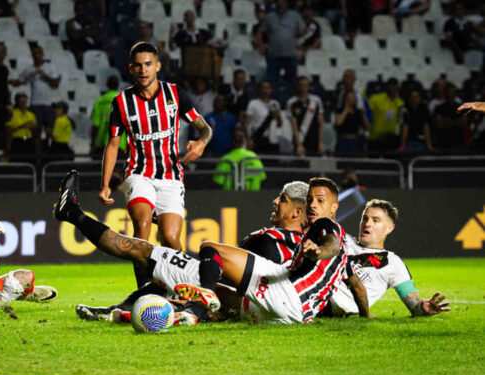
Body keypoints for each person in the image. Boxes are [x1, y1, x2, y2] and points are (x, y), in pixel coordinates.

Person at [55, 172, 365, 324]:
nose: (275, 201)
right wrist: (362, 315)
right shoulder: (307, 250)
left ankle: (72, 214)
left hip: (254, 295)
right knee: (165, 273)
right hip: (257, 308)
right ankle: (123, 313)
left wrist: (319, 253)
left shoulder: (284, 239)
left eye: (282, 199)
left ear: (298, 212)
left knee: (145, 252)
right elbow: (346, 280)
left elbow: (331, 246)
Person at [100, 42, 212, 288]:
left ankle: (181, 290)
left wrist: (202, 143)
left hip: (171, 176)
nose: (144, 70)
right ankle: (144, 291)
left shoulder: (175, 94)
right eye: (138, 66)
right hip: (138, 173)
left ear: (158, 66)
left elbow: (204, 127)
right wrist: (105, 184)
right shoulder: (121, 102)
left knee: (171, 238)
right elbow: (112, 144)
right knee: (141, 227)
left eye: (148, 64)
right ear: (131, 69)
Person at [327, 200, 451, 318]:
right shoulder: (343, 239)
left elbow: (415, 307)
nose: (367, 223)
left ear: (389, 228)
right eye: (365, 218)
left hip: (330, 305)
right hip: (315, 289)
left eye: (375, 220)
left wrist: (424, 309)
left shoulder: (393, 263)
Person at [256, 0, 306, 98]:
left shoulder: (295, 15)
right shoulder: (269, 16)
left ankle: (291, 101)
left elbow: (303, 30)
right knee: (272, 82)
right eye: (279, 2)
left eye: (283, 2)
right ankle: (272, 101)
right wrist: (261, 45)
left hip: (290, 54)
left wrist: (298, 38)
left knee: (292, 82)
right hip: (273, 56)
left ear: (287, 3)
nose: (281, 4)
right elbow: (261, 31)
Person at [10, 46, 61, 141]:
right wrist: (10, 81)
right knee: (35, 133)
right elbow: (19, 81)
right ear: (32, 56)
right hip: (35, 105)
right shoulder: (29, 70)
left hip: (48, 105)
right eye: (35, 53)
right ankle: (37, 155)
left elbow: (55, 84)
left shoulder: (50, 67)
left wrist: (43, 75)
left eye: (39, 53)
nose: (37, 55)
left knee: (50, 132)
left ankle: (50, 153)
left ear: (43, 54)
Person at [243, 80, 287, 154]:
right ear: (259, 90)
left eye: (267, 88)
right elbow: (246, 124)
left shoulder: (275, 103)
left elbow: (280, 124)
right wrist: (248, 139)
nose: (265, 90)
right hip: (258, 138)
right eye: (263, 88)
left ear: (271, 90)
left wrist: (278, 116)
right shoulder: (253, 103)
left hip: (273, 139)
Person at [287, 76, 325, 155]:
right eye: (301, 85)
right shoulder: (291, 102)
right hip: (300, 140)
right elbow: (294, 126)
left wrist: (321, 143)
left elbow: (321, 124)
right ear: (298, 86)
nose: (303, 87)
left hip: (314, 141)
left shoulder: (316, 101)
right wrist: (299, 145)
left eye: (306, 85)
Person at [90, 75, 124, 158]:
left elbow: (95, 125)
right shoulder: (124, 100)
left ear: (107, 85)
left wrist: (93, 144)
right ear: (118, 85)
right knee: (118, 170)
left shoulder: (100, 101)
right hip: (120, 144)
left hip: (102, 145)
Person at [367, 78, 404, 152]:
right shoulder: (375, 99)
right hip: (375, 139)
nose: (393, 89)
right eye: (392, 86)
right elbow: (367, 114)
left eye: (395, 87)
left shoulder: (400, 103)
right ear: (388, 87)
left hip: (391, 139)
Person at [4, 92, 39, 162]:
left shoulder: (31, 115)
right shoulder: (12, 113)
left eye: (24, 98)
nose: (23, 101)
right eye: (20, 99)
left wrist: (33, 128)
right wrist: (23, 126)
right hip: (17, 142)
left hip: (29, 142)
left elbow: (36, 133)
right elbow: (8, 130)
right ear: (17, 100)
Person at [433, 83, 465, 151]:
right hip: (443, 142)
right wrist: (456, 122)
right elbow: (439, 125)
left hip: (459, 141)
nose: (450, 94)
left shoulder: (461, 108)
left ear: (455, 94)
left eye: (452, 92)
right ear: (445, 94)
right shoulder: (439, 108)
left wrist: (447, 122)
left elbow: (464, 123)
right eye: (448, 92)